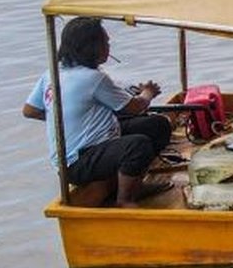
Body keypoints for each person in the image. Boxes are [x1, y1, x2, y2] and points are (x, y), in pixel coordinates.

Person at [23, 17, 173, 207]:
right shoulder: (93, 78)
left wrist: (67, 117)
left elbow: (30, 110)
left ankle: (132, 182)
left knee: (156, 125)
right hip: (77, 162)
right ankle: (125, 199)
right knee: (138, 145)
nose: (108, 47)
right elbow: (136, 107)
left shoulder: (52, 73)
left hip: (89, 147)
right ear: (91, 47)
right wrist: (148, 93)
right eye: (106, 42)